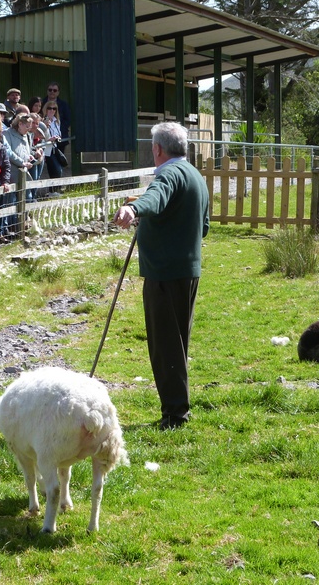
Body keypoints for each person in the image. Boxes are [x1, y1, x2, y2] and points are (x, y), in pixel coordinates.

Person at [113, 121, 210, 430]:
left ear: (156, 148)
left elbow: (156, 196)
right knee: (177, 342)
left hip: (166, 274)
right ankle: (177, 409)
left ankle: (175, 415)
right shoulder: (194, 175)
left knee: (166, 344)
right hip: (187, 270)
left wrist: (134, 210)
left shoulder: (168, 174)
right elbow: (203, 226)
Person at [42, 81, 71, 152]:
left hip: (59, 139)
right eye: (50, 90)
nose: (52, 92)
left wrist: (59, 130)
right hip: (44, 138)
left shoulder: (64, 105)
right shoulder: (41, 102)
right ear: (47, 91)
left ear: (58, 92)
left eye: (54, 90)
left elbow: (68, 120)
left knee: (59, 160)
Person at [40, 101, 64, 182]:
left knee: (57, 170)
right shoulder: (41, 120)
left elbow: (59, 133)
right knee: (56, 170)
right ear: (45, 109)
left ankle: (53, 191)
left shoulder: (56, 121)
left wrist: (57, 137)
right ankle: (53, 191)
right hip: (46, 148)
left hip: (54, 147)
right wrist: (45, 124)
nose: (52, 110)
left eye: (54, 109)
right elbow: (41, 136)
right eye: (49, 108)